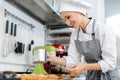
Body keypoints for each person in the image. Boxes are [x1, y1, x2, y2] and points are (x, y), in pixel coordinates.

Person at [47, 0, 120, 80]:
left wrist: (85, 66)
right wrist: (49, 58)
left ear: (79, 12)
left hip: (109, 76)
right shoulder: (75, 34)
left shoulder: (103, 30)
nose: (67, 23)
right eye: (65, 20)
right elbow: (72, 60)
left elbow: (110, 63)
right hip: (91, 75)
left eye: (68, 17)